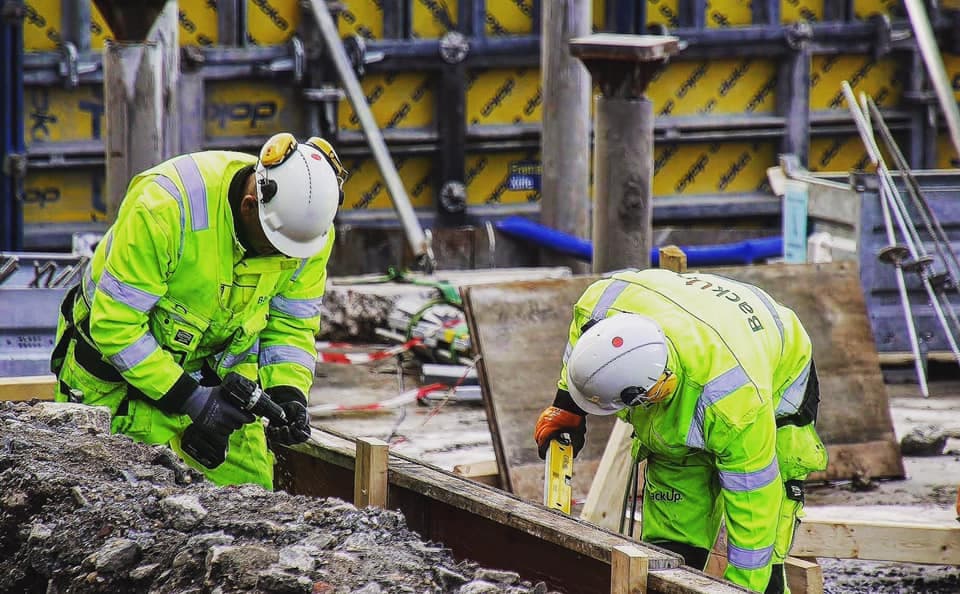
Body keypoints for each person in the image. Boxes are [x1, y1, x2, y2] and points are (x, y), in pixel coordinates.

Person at [50, 132, 347, 491]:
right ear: (249, 206)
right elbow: (116, 326)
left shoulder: (305, 235)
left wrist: (288, 391)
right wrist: (191, 400)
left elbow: (291, 325)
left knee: (254, 502)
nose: (282, 259)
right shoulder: (165, 208)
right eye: (274, 248)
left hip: (217, 387)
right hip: (116, 386)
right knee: (127, 504)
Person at [534, 268, 828, 593]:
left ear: (648, 393)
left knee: (766, 542)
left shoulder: (734, 402)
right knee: (673, 531)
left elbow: (754, 506)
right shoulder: (601, 305)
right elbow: (581, 343)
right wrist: (568, 404)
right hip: (702, 326)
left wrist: (744, 587)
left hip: (777, 366)